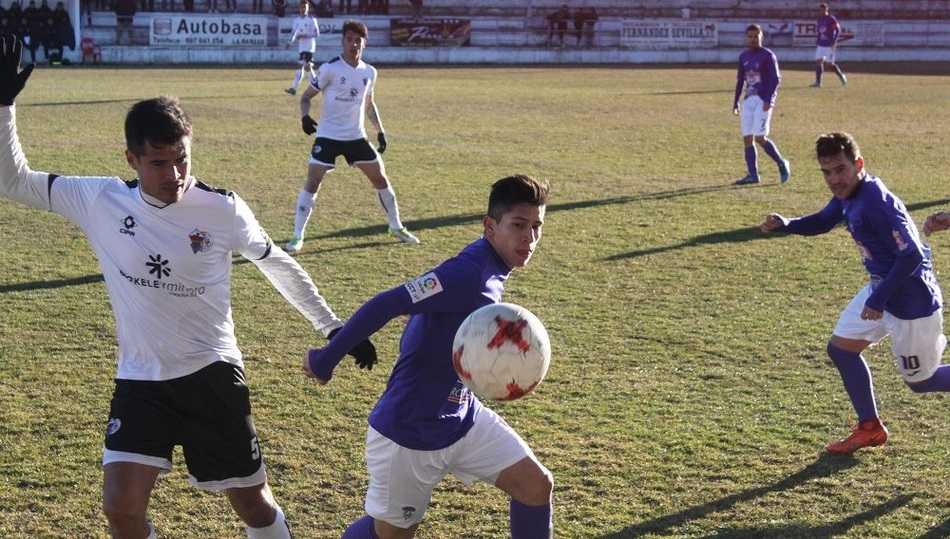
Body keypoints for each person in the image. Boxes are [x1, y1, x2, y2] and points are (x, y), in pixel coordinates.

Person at [0, 35, 377, 538]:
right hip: (140, 379)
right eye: (159, 162)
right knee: (121, 509)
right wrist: (3, 106)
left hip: (212, 374)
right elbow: (13, 181)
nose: (174, 174)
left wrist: (332, 326)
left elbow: (278, 264)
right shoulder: (99, 200)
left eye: (182, 158)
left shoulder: (223, 209)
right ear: (131, 159)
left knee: (253, 505)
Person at [304, 174, 554, 539]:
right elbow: (388, 302)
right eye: (518, 225)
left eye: (536, 227)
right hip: (409, 432)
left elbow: (433, 311)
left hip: (461, 418)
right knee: (392, 535)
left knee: (535, 487)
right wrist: (327, 359)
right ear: (490, 226)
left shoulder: (490, 267)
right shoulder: (468, 273)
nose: (529, 238)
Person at [760, 131, 949, 454]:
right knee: (842, 350)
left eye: (841, 169)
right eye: (827, 172)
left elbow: (913, 255)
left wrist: (878, 299)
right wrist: (787, 223)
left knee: (921, 382)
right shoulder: (849, 194)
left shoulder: (876, 203)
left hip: (911, 302)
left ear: (858, 164)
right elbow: (823, 221)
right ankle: (870, 428)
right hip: (882, 288)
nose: (835, 179)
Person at [287, 19, 419, 252]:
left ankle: (395, 226)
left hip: (356, 137)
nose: (353, 44)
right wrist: (305, 117)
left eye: (358, 40)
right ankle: (297, 235)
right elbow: (306, 96)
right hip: (327, 136)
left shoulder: (370, 72)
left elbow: (369, 104)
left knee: (380, 180)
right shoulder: (330, 69)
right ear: (343, 42)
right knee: (313, 182)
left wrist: (380, 131)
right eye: (349, 39)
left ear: (364, 43)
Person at [732, 23, 790, 185]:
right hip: (748, 100)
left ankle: (781, 162)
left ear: (761, 37)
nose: (752, 39)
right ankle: (753, 175)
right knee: (747, 139)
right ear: (746, 38)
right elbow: (740, 81)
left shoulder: (768, 55)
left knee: (759, 137)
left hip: (762, 100)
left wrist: (769, 99)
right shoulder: (743, 56)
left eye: (755, 36)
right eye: (750, 36)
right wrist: (735, 102)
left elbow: (776, 79)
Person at [283, 1, 319, 96]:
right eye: (301, 7)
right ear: (299, 8)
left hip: (309, 47)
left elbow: (317, 33)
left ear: (308, 8)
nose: (303, 9)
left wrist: (304, 35)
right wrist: (289, 42)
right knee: (307, 68)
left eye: (305, 7)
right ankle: (316, 85)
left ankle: (294, 88)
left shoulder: (311, 19)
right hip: (301, 47)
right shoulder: (296, 20)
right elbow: (293, 33)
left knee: (303, 67)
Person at [812, 3, 847, 88]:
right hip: (821, 44)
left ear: (827, 10)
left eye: (823, 10)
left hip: (829, 44)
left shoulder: (831, 19)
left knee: (829, 64)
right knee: (818, 62)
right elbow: (820, 32)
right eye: (820, 10)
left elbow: (837, 30)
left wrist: (834, 41)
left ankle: (841, 76)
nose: (821, 11)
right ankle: (818, 82)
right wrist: (818, 40)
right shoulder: (819, 20)